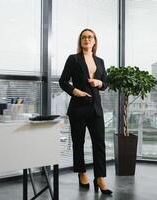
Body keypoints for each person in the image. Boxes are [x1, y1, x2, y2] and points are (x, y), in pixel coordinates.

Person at [59, 28, 112, 194]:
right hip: (78, 107)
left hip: (96, 108)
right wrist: (75, 91)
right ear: (80, 41)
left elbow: (106, 84)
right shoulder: (73, 59)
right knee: (78, 143)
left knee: (99, 143)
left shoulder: (101, 61)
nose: (87, 39)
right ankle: (82, 173)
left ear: (95, 41)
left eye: (90, 37)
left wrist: (99, 83)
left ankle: (100, 178)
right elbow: (63, 81)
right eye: (83, 37)